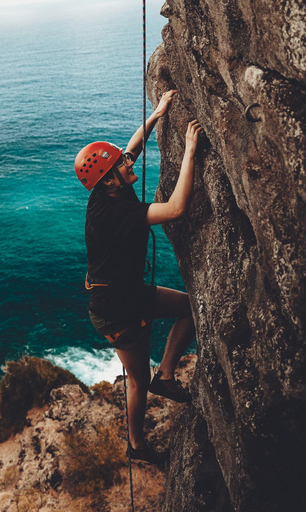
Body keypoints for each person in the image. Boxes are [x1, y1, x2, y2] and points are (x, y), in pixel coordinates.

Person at [75, 90, 203, 464]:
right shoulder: (114, 215)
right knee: (136, 380)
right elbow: (177, 208)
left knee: (190, 308)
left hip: (125, 292)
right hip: (116, 309)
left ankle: (165, 375)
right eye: (121, 165)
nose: (129, 163)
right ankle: (137, 446)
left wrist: (157, 114)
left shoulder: (108, 188)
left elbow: (133, 145)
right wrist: (190, 152)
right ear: (111, 181)